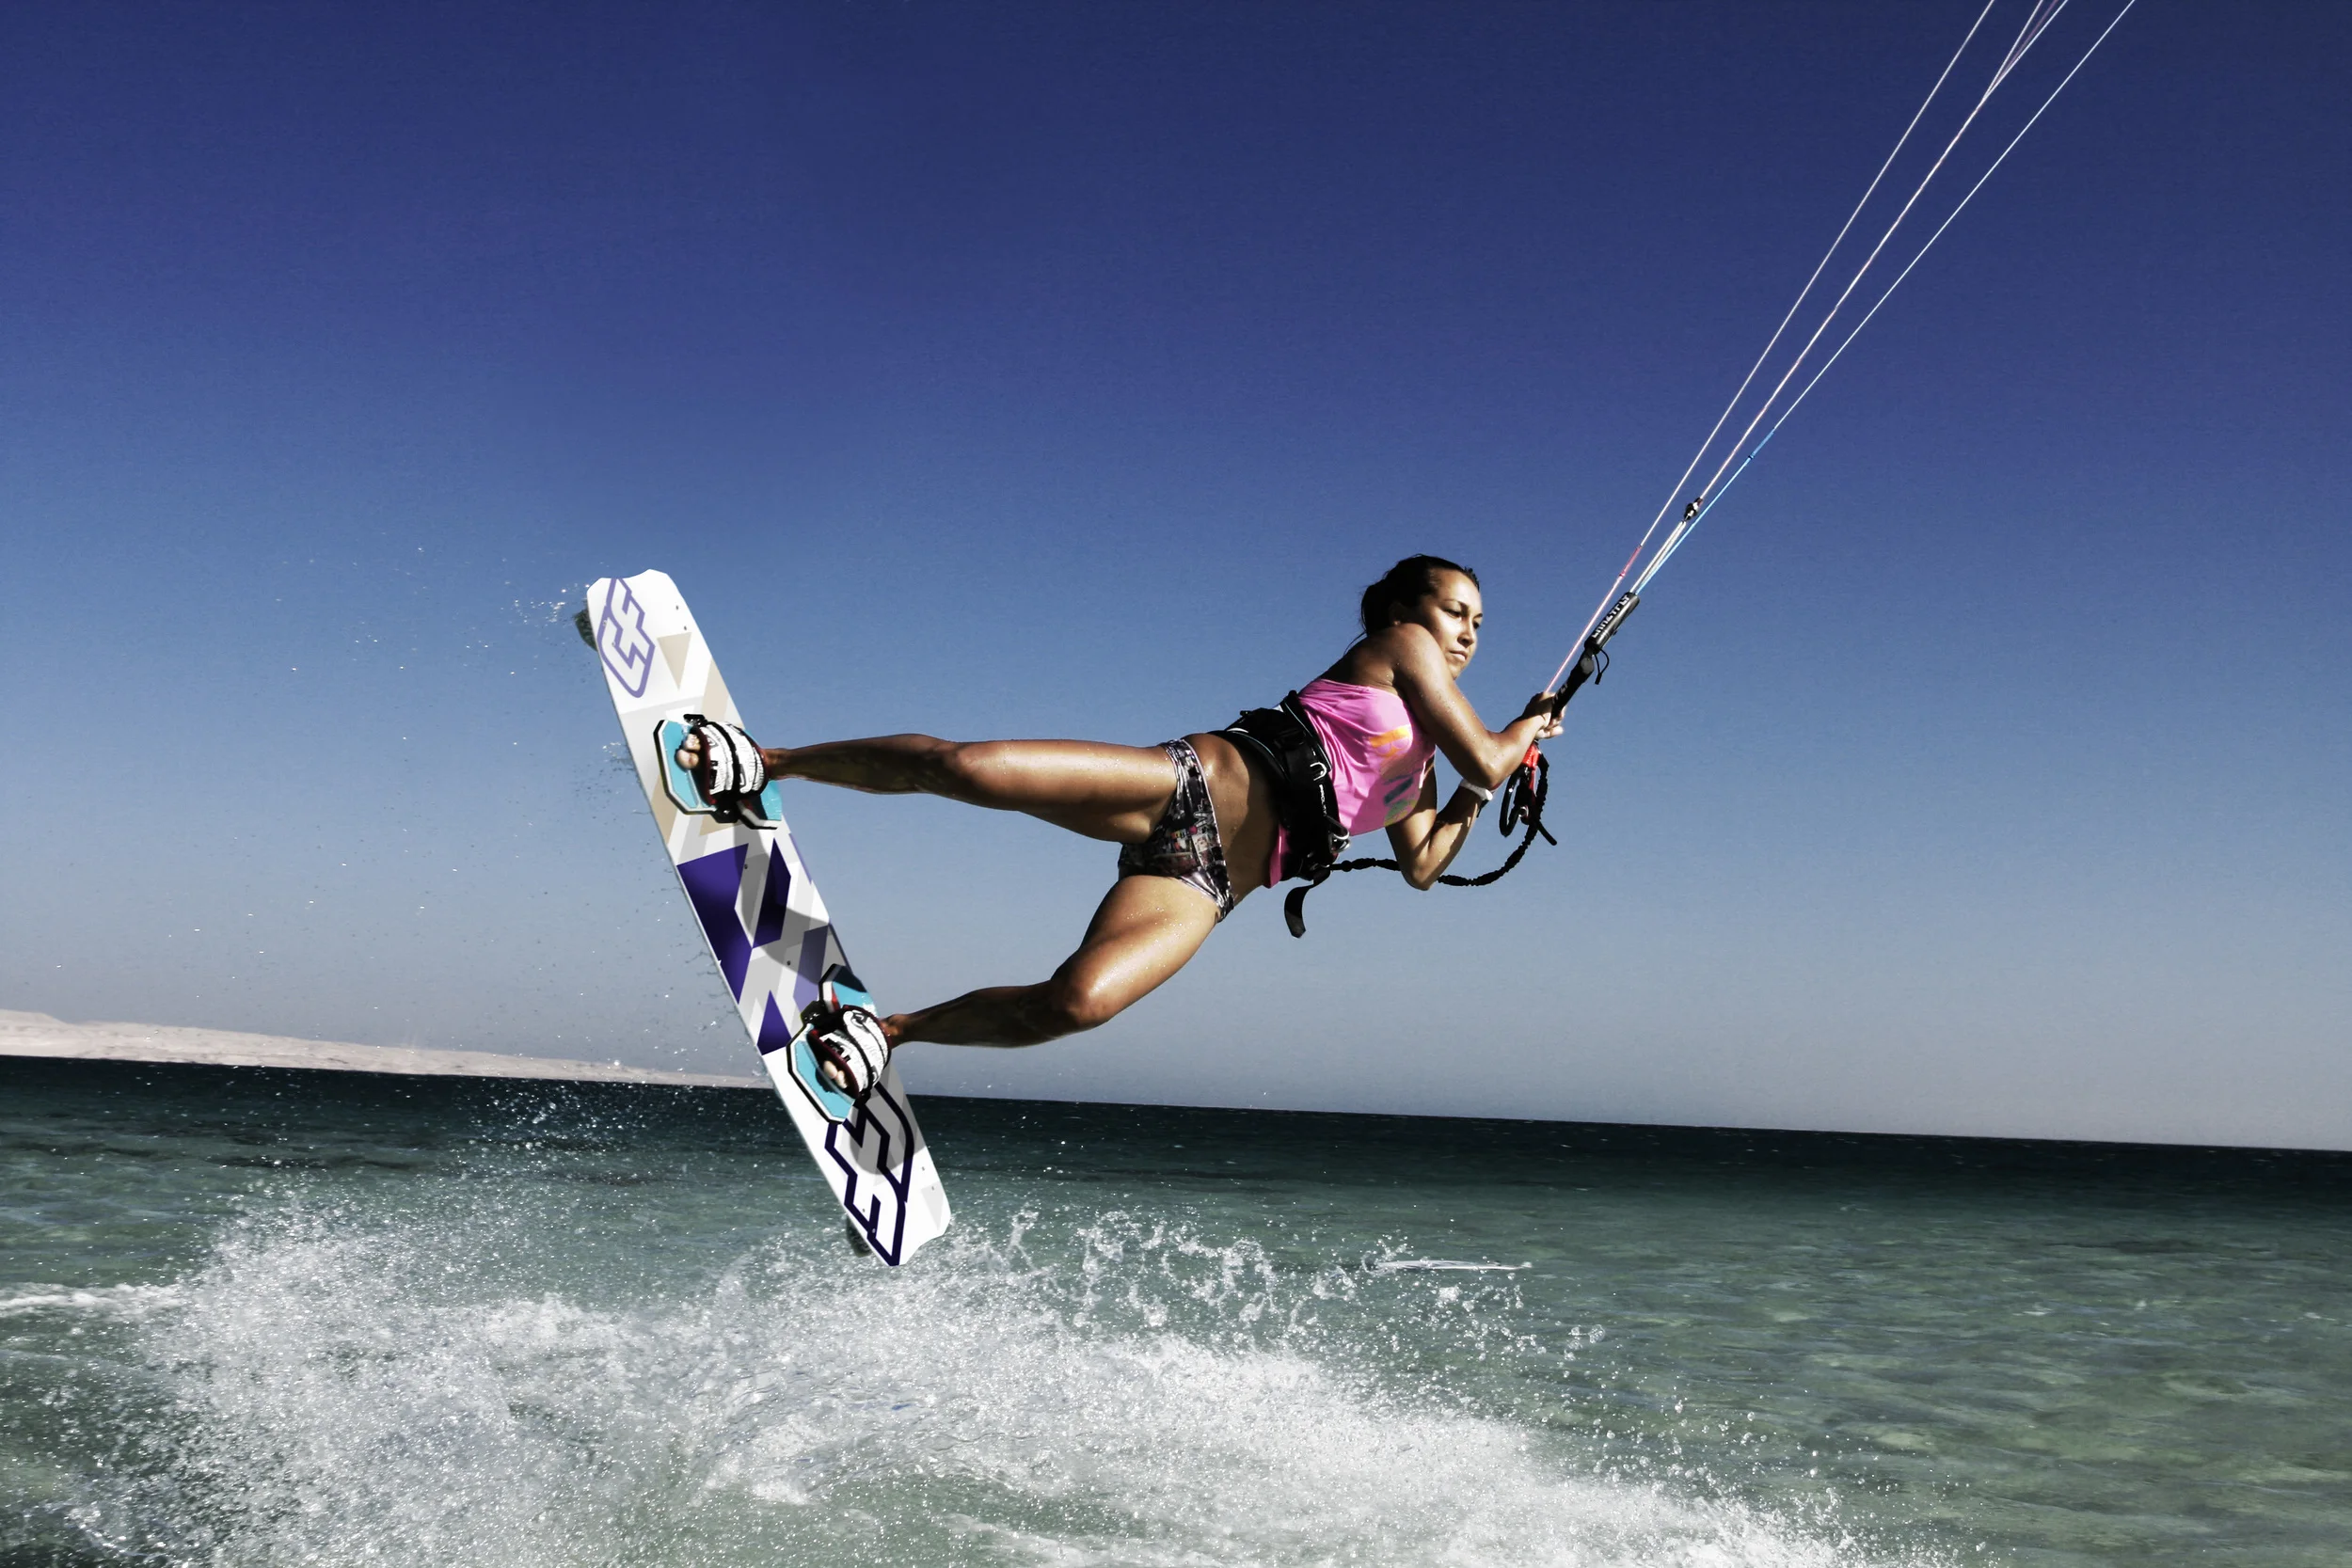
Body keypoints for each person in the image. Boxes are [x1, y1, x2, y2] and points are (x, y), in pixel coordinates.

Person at [675, 555, 1562, 1098]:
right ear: (1406, 613)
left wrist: (1485, 788)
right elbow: (1485, 752)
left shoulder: (1424, 769)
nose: (1468, 633)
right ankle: (770, 760)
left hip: (1207, 881)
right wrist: (1519, 736)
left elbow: (1426, 863)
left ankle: (889, 1030)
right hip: (1186, 783)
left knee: (1080, 1002)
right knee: (966, 767)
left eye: (1480, 623)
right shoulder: (1398, 648)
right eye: (1457, 613)